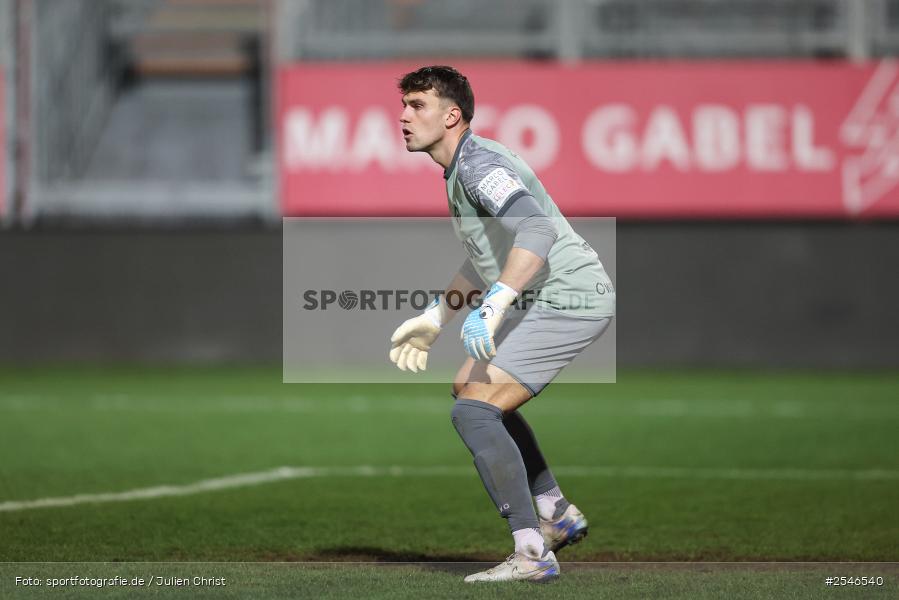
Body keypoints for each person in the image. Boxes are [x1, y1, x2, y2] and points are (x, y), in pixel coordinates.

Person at [388, 65, 615, 583]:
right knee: (468, 388)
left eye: (416, 106)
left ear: (452, 115)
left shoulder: (477, 165)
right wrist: (435, 316)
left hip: (568, 298)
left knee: (472, 413)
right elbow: (484, 257)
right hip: (548, 298)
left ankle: (532, 551)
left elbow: (535, 230)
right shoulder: (460, 168)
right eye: (402, 105)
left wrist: (495, 303)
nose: (403, 117)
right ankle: (555, 512)